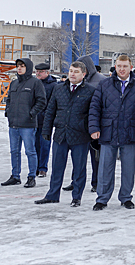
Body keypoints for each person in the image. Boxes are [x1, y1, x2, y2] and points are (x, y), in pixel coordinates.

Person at [88, 54, 135, 211]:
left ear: (130, 67)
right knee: (105, 168)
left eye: (125, 66)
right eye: (119, 66)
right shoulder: (104, 85)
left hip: (130, 132)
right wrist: (94, 128)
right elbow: (95, 108)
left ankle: (126, 197)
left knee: (128, 169)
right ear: (114, 67)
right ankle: (102, 199)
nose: (122, 69)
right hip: (108, 132)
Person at [35, 61, 95, 207]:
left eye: (76, 71)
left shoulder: (90, 90)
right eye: (71, 71)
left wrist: (92, 131)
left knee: (79, 168)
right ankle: (52, 195)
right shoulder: (59, 88)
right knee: (57, 167)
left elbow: (93, 114)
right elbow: (50, 111)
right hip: (61, 134)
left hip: (80, 136)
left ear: (83, 74)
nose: (72, 74)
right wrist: (46, 131)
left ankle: (76, 197)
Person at [63, 55, 107, 192]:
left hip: (95, 125)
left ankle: (96, 182)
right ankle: (75, 181)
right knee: (78, 158)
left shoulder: (102, 81)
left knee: (96, 158)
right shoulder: (75, 82)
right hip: (80, 126)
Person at [1, 58, 46, 188]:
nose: (19, 68)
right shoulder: (14, 83)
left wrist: (31, 113)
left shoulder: (35, 83)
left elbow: (41, 101)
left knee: (30, 151)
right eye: (18, 66)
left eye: (22, 66)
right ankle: (15, 176)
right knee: (14, 151)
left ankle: (32, 176)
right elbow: (8, 100)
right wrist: (8, 112)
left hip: (27, 124)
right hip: (13, 124)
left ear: (28, 68)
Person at [34, 63, 57, 178]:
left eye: (41, 71)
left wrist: (47, 115)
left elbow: (53, 103)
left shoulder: (53, 85)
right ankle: (35, 167)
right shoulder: (34, 83)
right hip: (33, 119)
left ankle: (42, 168)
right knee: (34, 145)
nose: (38, 73)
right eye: (37, 71)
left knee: (44, 144)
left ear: (47, 72)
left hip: (46, 120)